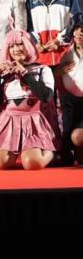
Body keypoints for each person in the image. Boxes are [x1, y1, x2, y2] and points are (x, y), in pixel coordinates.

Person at [0, 30, 57, 170]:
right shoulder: (6, 73)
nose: (16, 49)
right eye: (11, 46)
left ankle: (52, 151)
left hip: (33, 121)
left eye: (20, 44)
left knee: (32, 163)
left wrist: (25, 73)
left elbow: (46, 97)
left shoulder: (43, 70)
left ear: (29, 45)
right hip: (9, 121)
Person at [55, 13, 83, 165]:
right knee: (66, 137)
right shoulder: (65, 54)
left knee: (78, 137)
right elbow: (52, 75)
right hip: (69, 101)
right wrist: (59, 71)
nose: (80, 33)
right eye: (77, 29)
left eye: (82, 29)